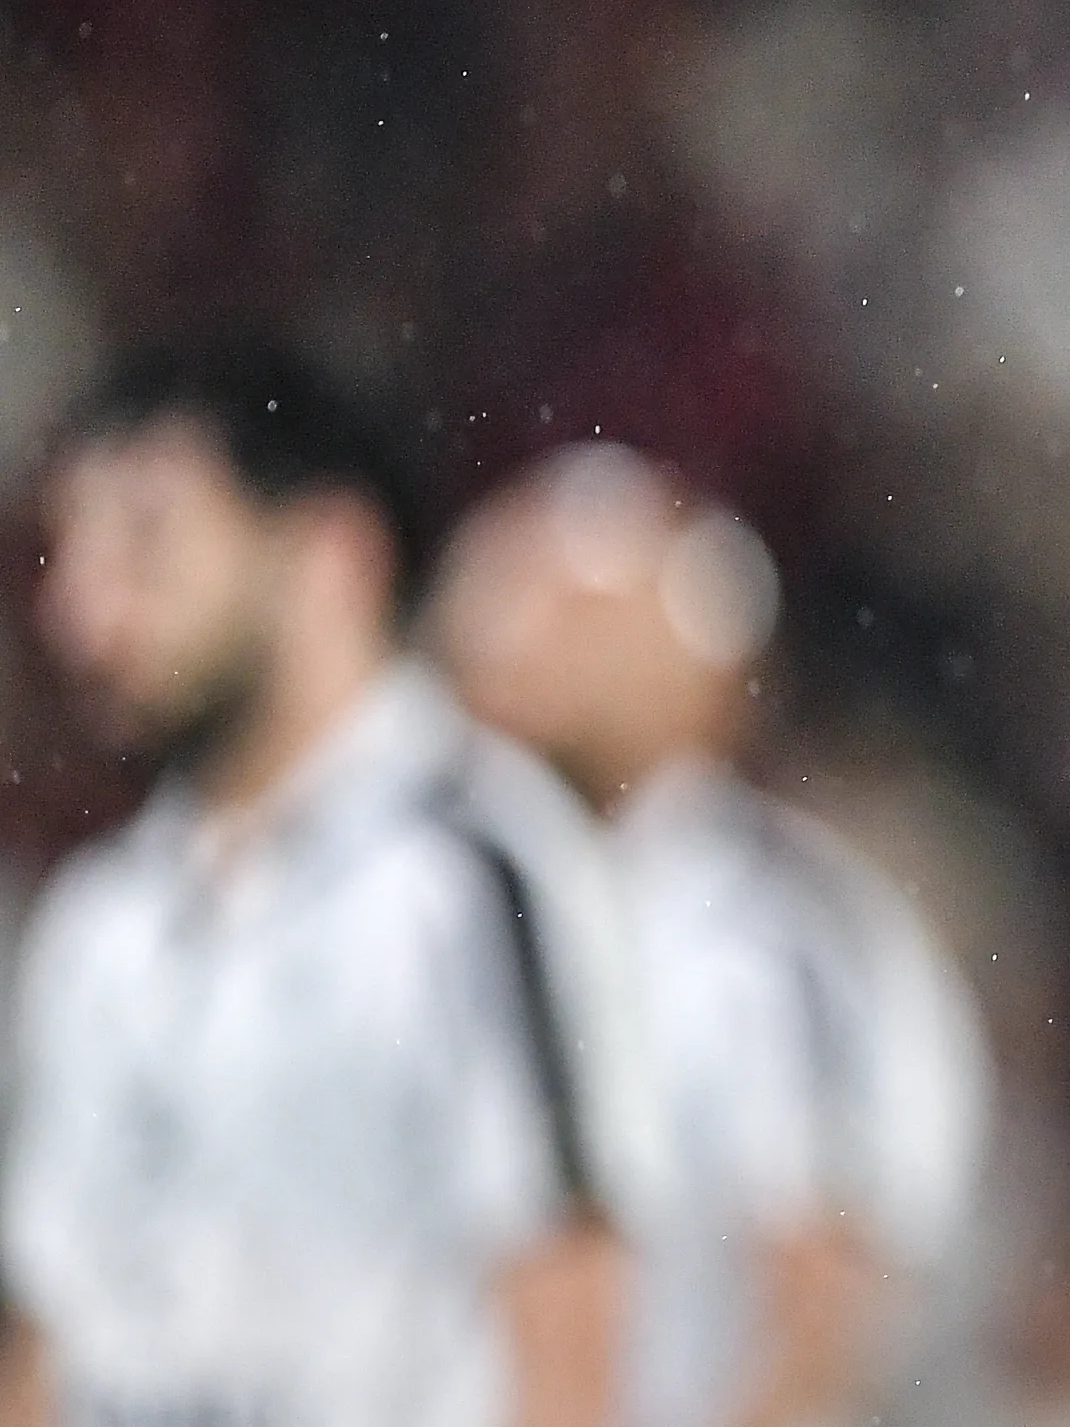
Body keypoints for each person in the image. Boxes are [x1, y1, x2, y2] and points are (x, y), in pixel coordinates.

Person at [0, 342, 644, 1427]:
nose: (82, 610)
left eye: (146, 540)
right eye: (72, 556)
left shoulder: (469, 876)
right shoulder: (101, 918)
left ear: (331, 557)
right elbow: (45, 1336)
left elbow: (567, 1315)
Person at [430, 443, 994, 1427]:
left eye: (583, 603)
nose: (520, 631)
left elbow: (827, 1300)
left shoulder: (780, 931)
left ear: (706, 657)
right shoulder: (415, 892)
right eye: (511, 586)